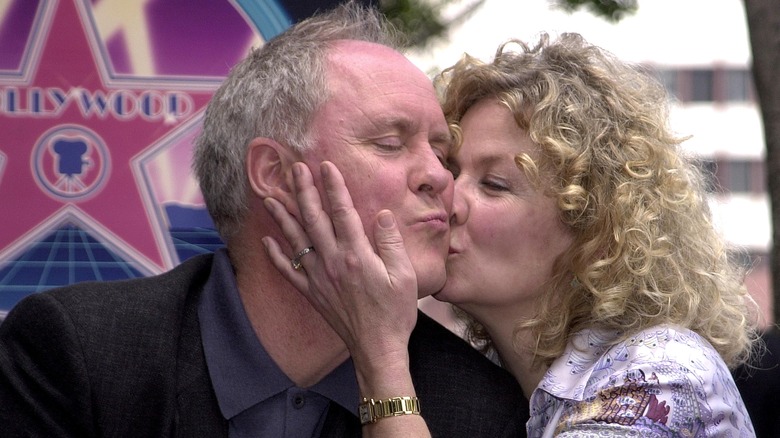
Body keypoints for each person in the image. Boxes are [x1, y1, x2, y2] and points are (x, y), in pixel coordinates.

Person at [0, 3, 529, 437]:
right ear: (274, 174)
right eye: (390, 143)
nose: (439, 178)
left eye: (441, 152)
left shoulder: (478, 408)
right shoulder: (79, 353)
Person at [263, 32, 760, 436]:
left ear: (595, 232)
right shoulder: (500, 385)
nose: (447, 197)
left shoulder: (661, 374)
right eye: (450, 167)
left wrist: (381, 357)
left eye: (495, 184)